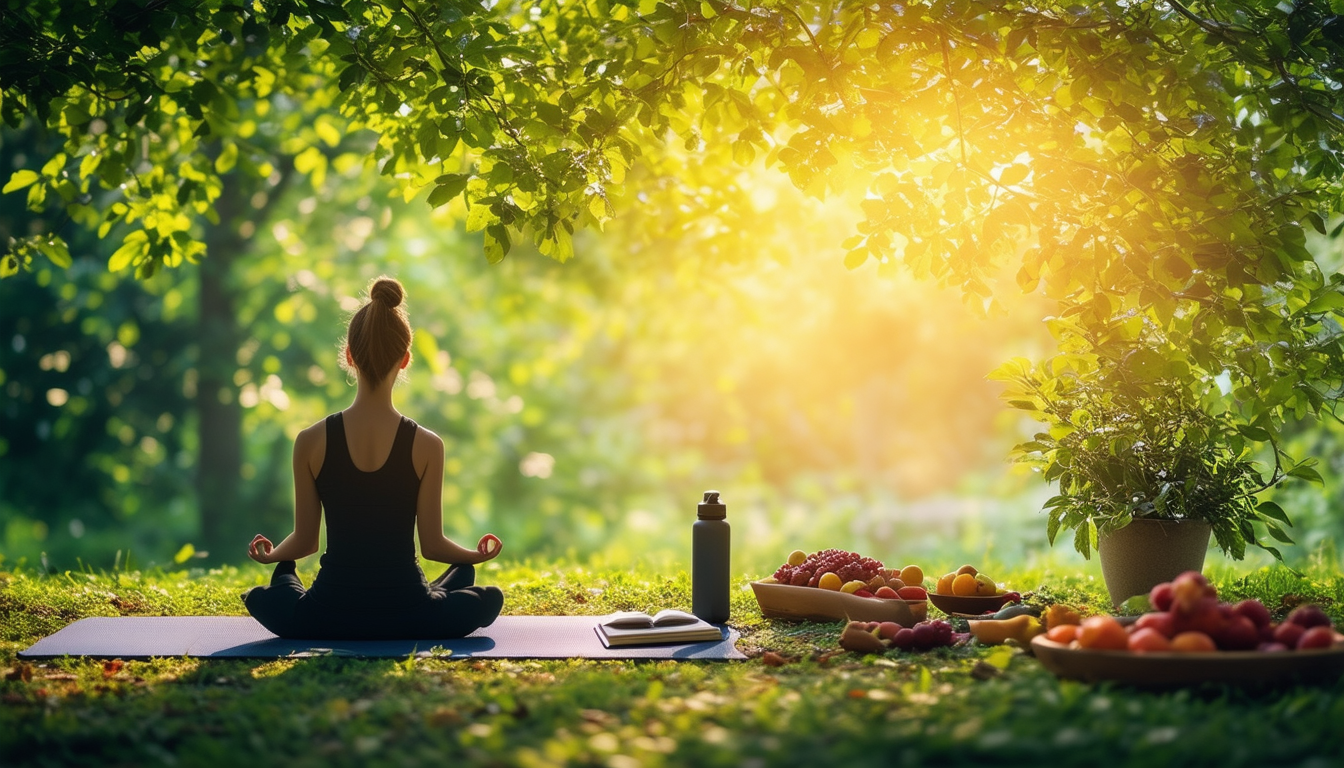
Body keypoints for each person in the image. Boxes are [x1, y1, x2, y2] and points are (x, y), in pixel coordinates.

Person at [241, 276, 504, 639]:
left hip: (329, 611)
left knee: (277, 587)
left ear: (349, 356)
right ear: (406, 360)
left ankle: (284, 577)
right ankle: (443, 591)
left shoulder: (309, 441)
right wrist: (476, 555)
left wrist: (274, 558)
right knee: (483, 595)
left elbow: (304, 542)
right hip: (408, 610)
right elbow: (432, 545)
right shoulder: (428, 445)